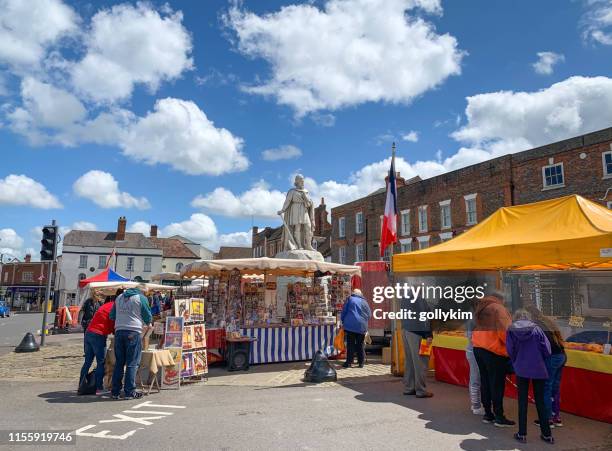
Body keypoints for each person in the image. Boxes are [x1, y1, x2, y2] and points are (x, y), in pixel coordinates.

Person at [506, 309, 554, 444]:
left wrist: (516, 360)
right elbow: (547, 349)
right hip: (538, 368)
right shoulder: (537, 329)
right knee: (540, 401)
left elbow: (510, 350)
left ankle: (522, 434)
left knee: (522, 401)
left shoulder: (511, 330)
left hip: (521, 369)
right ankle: (547, 434)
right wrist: (539, 358)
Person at [472, 292, 515, 427]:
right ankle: (499, 416)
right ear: (501, 299)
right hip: (494, 350)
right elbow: (505, 332)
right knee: (496, 384)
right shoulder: (498, 308)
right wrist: (512, 349)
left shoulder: (481, 307)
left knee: (485, 381)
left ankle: (488, 413)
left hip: (478, 347)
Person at [527, 306, 567, 428]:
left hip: (551, 357)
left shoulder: (535, 326)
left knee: (546, 387)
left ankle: (547, 419)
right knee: (555, 387)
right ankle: (556, 417)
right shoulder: (547, 322)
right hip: (561, 355)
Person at [109, 287, 152, 400]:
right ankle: (129, 391)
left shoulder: (119, 297)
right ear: (143, 292)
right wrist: (147, 322)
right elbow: (148, 317)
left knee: (119, 362)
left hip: (119, 330)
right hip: (133, 331)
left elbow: (112, 315)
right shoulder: (141, 298)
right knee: (132, 363)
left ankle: (115, 391)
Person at [79, 297, 115, 395]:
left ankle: (81, 386)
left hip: (89, 332)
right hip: (98, 335)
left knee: (87, 361)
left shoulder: (105, 306)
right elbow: (113, 325)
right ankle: (99, 388)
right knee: (101, 362)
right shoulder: (115, 307)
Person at [401, 295, 434, 398]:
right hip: (418, 333)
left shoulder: (405, 296)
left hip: (406, 331)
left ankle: (409, 388)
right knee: (421, 362)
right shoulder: (420, 298)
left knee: (410, 361)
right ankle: (421, 390)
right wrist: (428, 334)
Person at [340, 289, 371, 368]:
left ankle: (349, 362)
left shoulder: (350, 299)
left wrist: (343, 320)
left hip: (350, 326)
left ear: (353, 293)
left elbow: (344, 312)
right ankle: (361, 363)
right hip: (361, 326)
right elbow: (369, 315)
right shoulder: (365, 302)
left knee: (350, 344)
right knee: (360, 345)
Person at [466, 317, 484, 414]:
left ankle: (476, 404)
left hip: (472, 350)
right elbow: (470, 336)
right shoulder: (474, 317)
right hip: (474, 350)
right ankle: (476, 405)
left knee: (475, 378)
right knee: (475, 378)